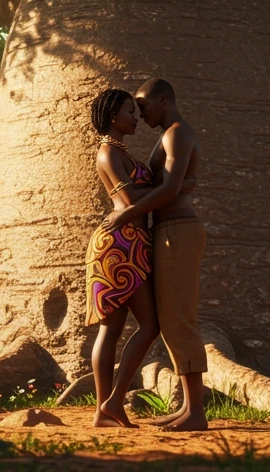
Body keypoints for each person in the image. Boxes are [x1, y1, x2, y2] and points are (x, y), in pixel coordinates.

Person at [103, 78, 207, 432]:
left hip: (178, 231)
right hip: (167, 232)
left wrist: (127, 213)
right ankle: (189, 408)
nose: (139, 112)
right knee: (169, 322)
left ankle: (197, 413)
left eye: (143, 105)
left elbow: (172, 187)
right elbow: (168, 185)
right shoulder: (168, 135)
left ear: (163, 100)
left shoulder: (176, 133)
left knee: (180, 319)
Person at [85, 88, 162, 428]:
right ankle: (109, 405)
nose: (136, 117)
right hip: (119, 246)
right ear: (113, 115)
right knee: (143, 325)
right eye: (130, 111)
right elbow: (130, 200)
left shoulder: (118, 152)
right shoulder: (106, 153)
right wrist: (172, 188)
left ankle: (106, 410)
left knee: (115, 329)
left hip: (129, 242)